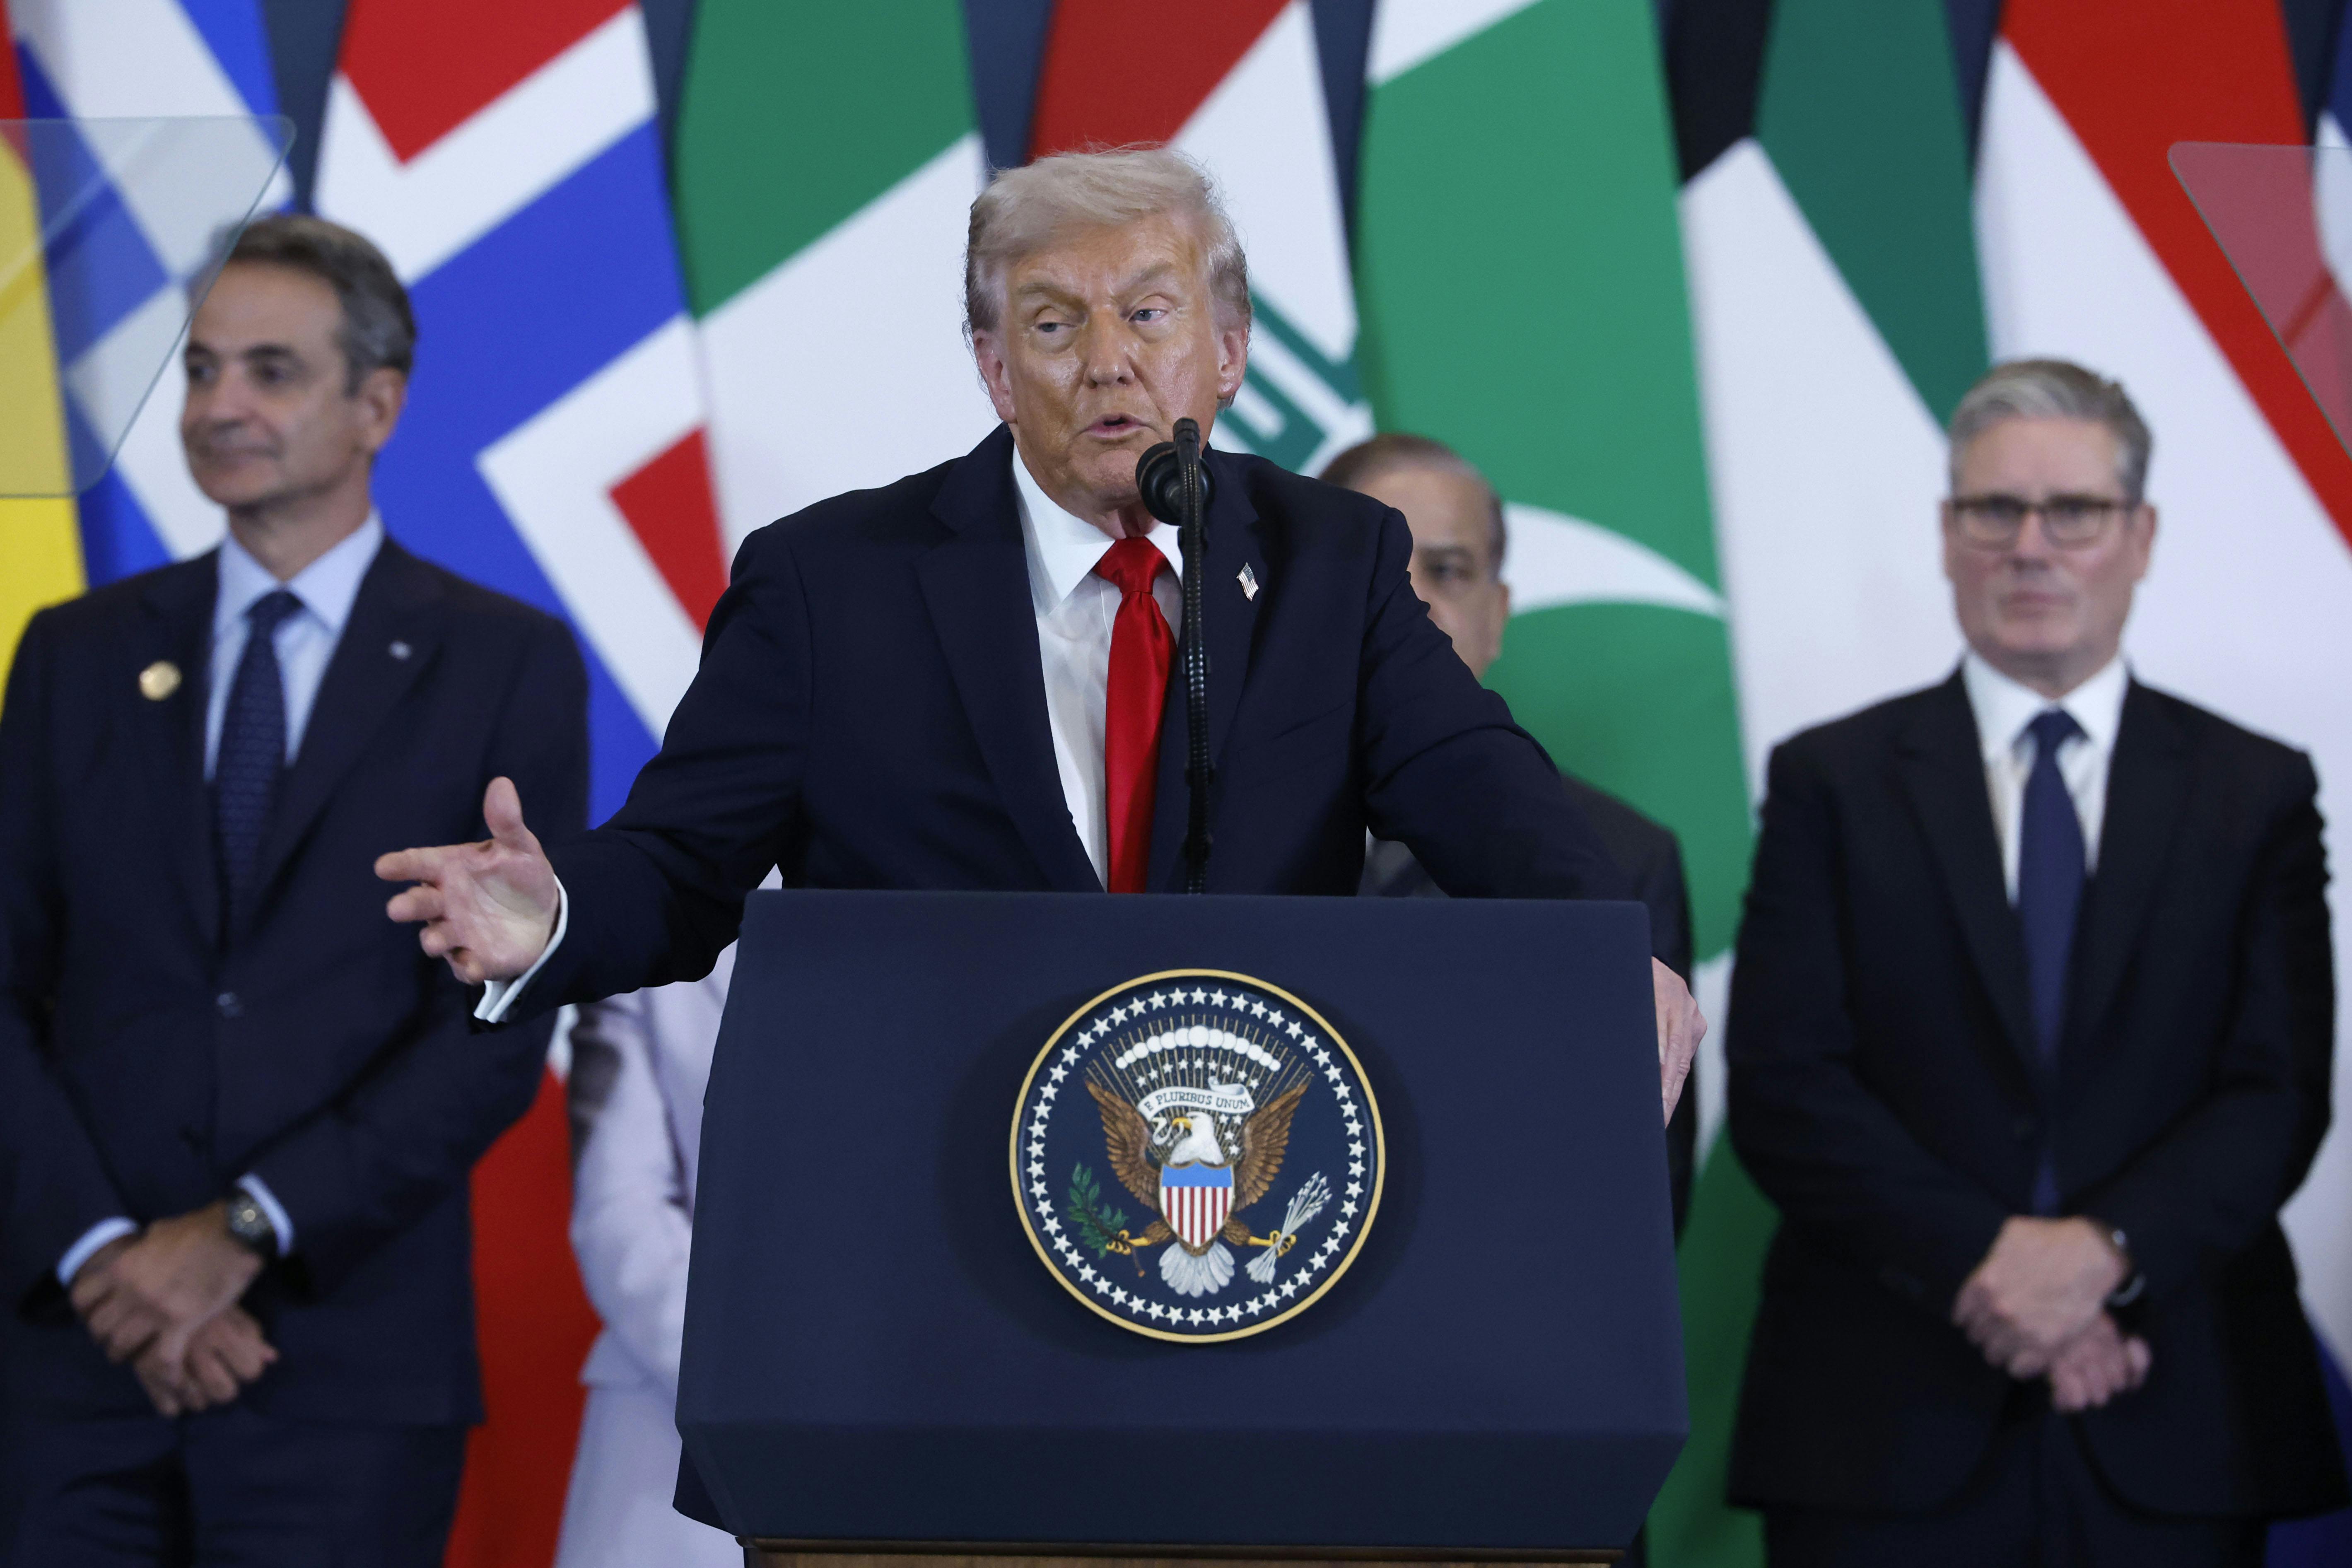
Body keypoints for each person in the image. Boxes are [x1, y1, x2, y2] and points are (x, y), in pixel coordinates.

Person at [375, 146, 1703, 1114]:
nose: (1108, 360)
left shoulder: (1331, 561)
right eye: (1055, 324)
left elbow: (1482, 790)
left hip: (1239, 1200)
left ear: (1229, 349)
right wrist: (557, 914)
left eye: (1151, 311)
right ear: (996, 369)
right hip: (930, 1197)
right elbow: (680, 868)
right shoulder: (834, 584)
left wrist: (1609, 951)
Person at [0, 215, 589, 1564]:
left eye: (269, 371)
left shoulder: (503, 663)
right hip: (73, 1366)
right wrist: (104, 1257)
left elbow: (496, 1028)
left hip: (343, 1369)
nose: (220, 406)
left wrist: (244, 1231)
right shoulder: (73, 654)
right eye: (202, 369)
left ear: (377, 402)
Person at [1726, 358, 2346, 1564]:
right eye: (1993, 510)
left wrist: (2101, 1262)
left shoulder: (2259, 791)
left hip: (2175, 1413)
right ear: (1949, 535)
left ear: (2142, 535)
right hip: (1882, 1423)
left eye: (2074, 512)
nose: (2031, 545)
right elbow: (1789, 1086)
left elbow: (2277, 1091)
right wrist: (1992, 1262)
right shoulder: (1828, 782)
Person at [1324, 433, 1698, 1234]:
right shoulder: (1204, 817)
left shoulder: (1621, 860)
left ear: (1497, 614)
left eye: (1449, 571)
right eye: (1379, 566)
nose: (1413, 601)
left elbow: (1637, 1197)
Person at [552, 878, 777, 1568]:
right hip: (668, 1435)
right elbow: (619, 1210)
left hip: (918, 1434)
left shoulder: (963, 905)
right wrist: (761, 1384)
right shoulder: (651, 921)